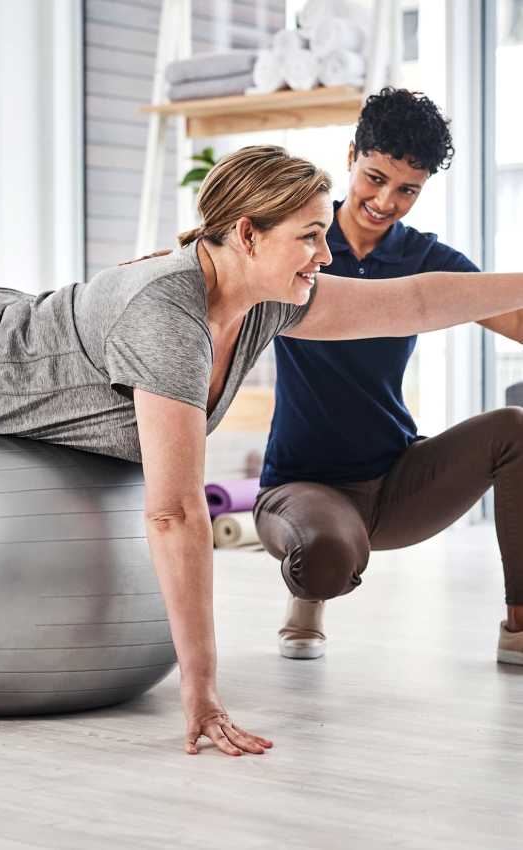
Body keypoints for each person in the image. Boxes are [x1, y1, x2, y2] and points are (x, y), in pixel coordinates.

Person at [0, 146, 523, 757]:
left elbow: (412, 302)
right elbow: (173, 513)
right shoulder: (170, 321)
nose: (325, 255)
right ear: (249, 235)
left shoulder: (266, 302)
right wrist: (201, 693)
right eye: (309, 236)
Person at [254, 89, 523, 667]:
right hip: (305, 486)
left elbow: (515, 318)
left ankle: (520, 626)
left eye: (407, 190)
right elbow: (212, 271)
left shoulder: (427, 259)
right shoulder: (296, 241)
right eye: (374, 177)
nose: (385, 200)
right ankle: (308, 598)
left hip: (397, 479)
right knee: (323, 555)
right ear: (351, 155)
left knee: (516, 429)